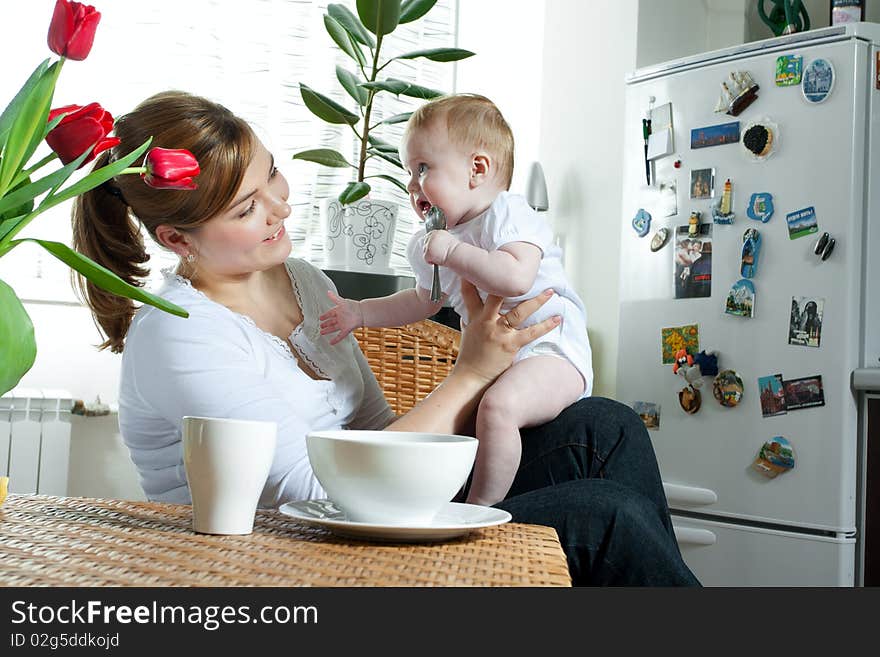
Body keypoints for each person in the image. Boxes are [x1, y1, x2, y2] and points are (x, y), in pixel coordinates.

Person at [72, 91, 698, 586]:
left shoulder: (302, 280)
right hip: (295, 558)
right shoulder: (179, 334)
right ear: (177, 239)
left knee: (606, 425)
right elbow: (321, 495)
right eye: (246, 209)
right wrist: (473, 374)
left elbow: (376, 425)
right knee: (605, 519)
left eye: (274, 176)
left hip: (375, 511)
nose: (281, 208)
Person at [319, 94, 592, 507]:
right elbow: (422, 301)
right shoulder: (432, 241)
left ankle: (478, 511)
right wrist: (360, 312)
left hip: (551, 351)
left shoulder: (507, 213)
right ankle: (453, 503)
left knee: (498, 410)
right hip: (496, 361)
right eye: (410, 172)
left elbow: (516, 278)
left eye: (423, 168)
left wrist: (454, 253)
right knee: (468, 428)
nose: (413, 185)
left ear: (477, 169)